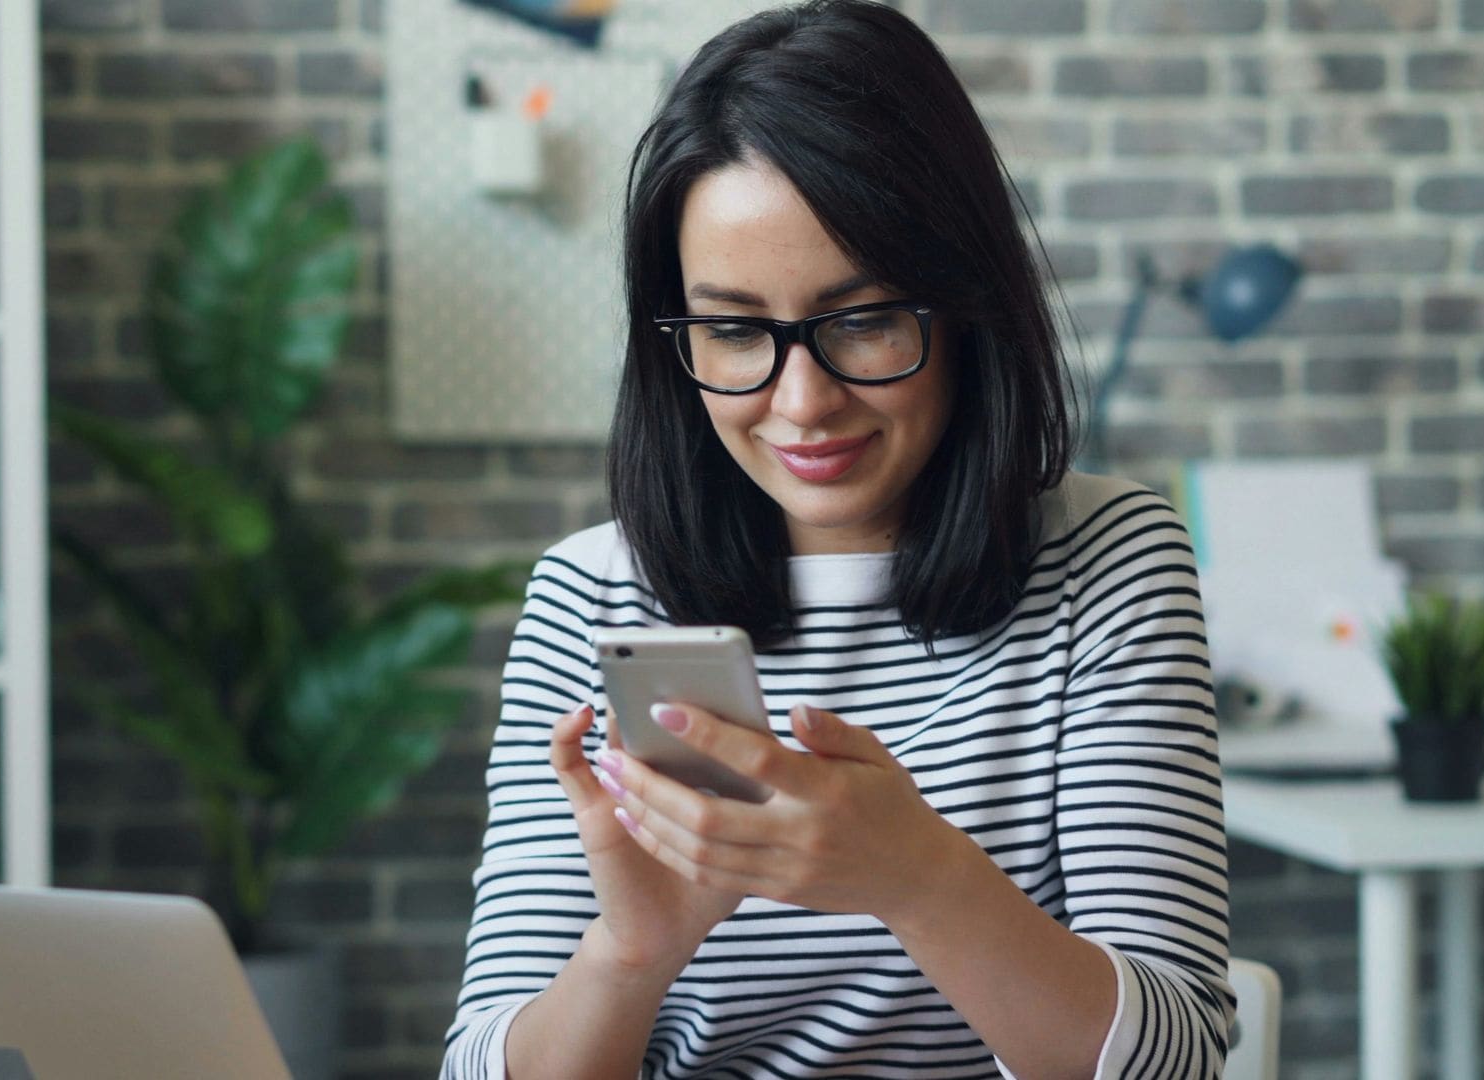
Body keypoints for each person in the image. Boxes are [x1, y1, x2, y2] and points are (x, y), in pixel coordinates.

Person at [439, 2, 1233, 1077]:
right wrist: (629, 954)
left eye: (860, 321)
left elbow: (1179, 1061)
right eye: (732, 331)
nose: (801, 403)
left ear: (965, 309)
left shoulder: (1107, 560)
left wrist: (918, 879)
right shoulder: (593, 595)